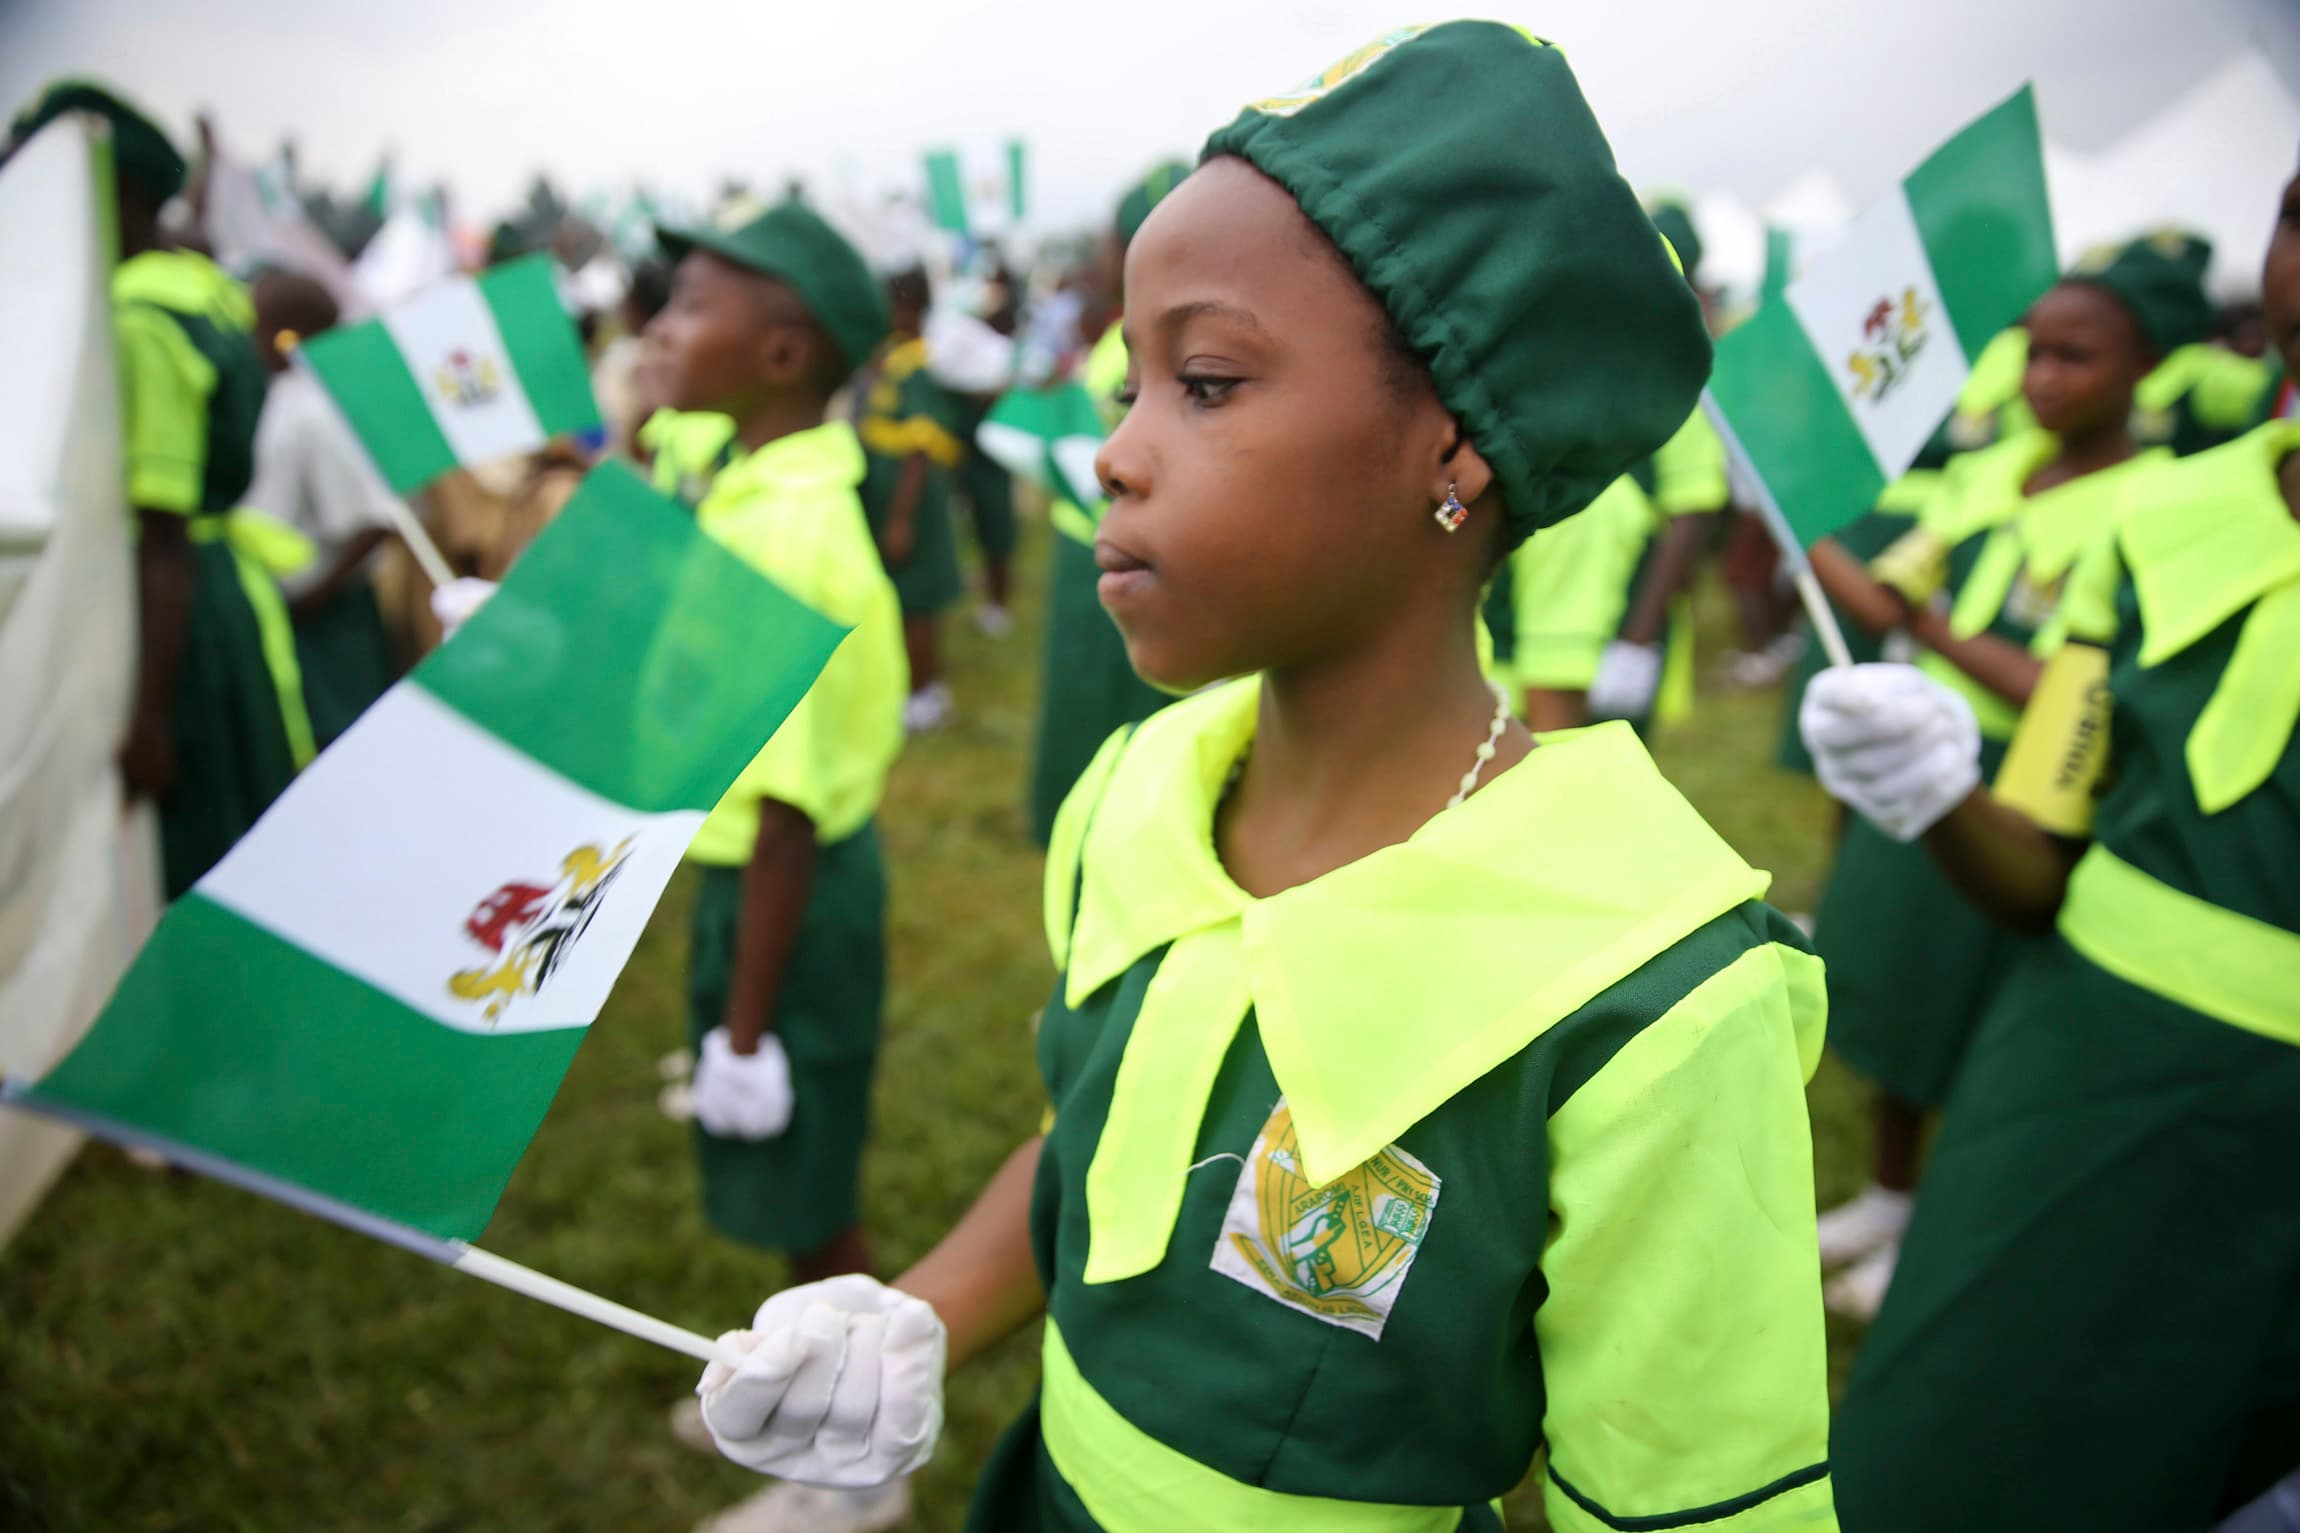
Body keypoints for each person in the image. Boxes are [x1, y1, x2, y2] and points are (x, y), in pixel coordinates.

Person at [688, 26, 1838, 1531]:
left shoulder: (1649, 980)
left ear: (1452, 444)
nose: (1116, 454)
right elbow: (1095, 1141)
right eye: (1125, 388)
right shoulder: (1138, 791)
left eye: (1208, 382)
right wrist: (920, 1311)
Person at [1806, 162, 2300, 1532]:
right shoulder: (2167, 522)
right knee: (1957, 1446)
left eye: (2076, 351)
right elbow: (2037, 846)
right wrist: (1934, 790)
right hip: (2083, 1074)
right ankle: (1899, 1202)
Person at [1802, 247, 2180, 1316]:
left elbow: (2058, 678)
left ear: (2144, 364)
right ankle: (1887, 1192)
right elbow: (1884, 599)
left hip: (2015, 792)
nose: (2044, 378)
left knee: (1971, 1009)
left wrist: (1924, 626)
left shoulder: (2148, 503)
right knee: (1894, 984)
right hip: (1916, 757)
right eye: (2032, 354)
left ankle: (1933, 1229)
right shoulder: (1991, 469)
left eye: (2077, 356)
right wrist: (1799, 530)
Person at [638, 199, 909, 1533]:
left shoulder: (793, 530)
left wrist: (745, 1024)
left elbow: (792, 812)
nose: (655, 329)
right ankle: (803, 1396)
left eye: (690, 306)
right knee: (789, 1174)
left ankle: (862, 1461)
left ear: (785, 356)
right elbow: (650, 442)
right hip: (754, 880)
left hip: (790, 898)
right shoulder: (753, 478)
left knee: (815, 1193)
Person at [8, 81, 306, 900]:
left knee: (199, 851)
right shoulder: (205, 288)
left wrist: (147, 720)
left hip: (182, 620)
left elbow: (163, 530)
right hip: (223, 599)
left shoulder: (141, 319)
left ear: (116, 195)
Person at [1023, 162, 1189, 846]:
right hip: (1148, 546)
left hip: (1100, 547)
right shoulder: (1170, 345)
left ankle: (1082, 823)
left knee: (1097, 702)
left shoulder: (1115, 349)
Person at [1583, 196, 1733, 731]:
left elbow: (1690, 517)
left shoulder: (1678, 377)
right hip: (1564, 604)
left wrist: (1636, 641)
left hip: (1626, 602)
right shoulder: (1599, 351)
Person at [246, 270, 402, 748]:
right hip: (285, 616)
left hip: (325, 623)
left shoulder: (317, 408)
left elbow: (376, 520)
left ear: (287, 333)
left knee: (331, 746)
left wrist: (312, 597)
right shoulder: (272, 396)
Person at [854, 267, 969, 732]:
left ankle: (927, 692)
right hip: (885, 494)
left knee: (918, 599)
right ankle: (910, 684)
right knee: (899, 596)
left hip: (910, 500)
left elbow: (919, 450)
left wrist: (901, 519)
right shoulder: (891, 357)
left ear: (911, 308)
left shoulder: (918, 366)